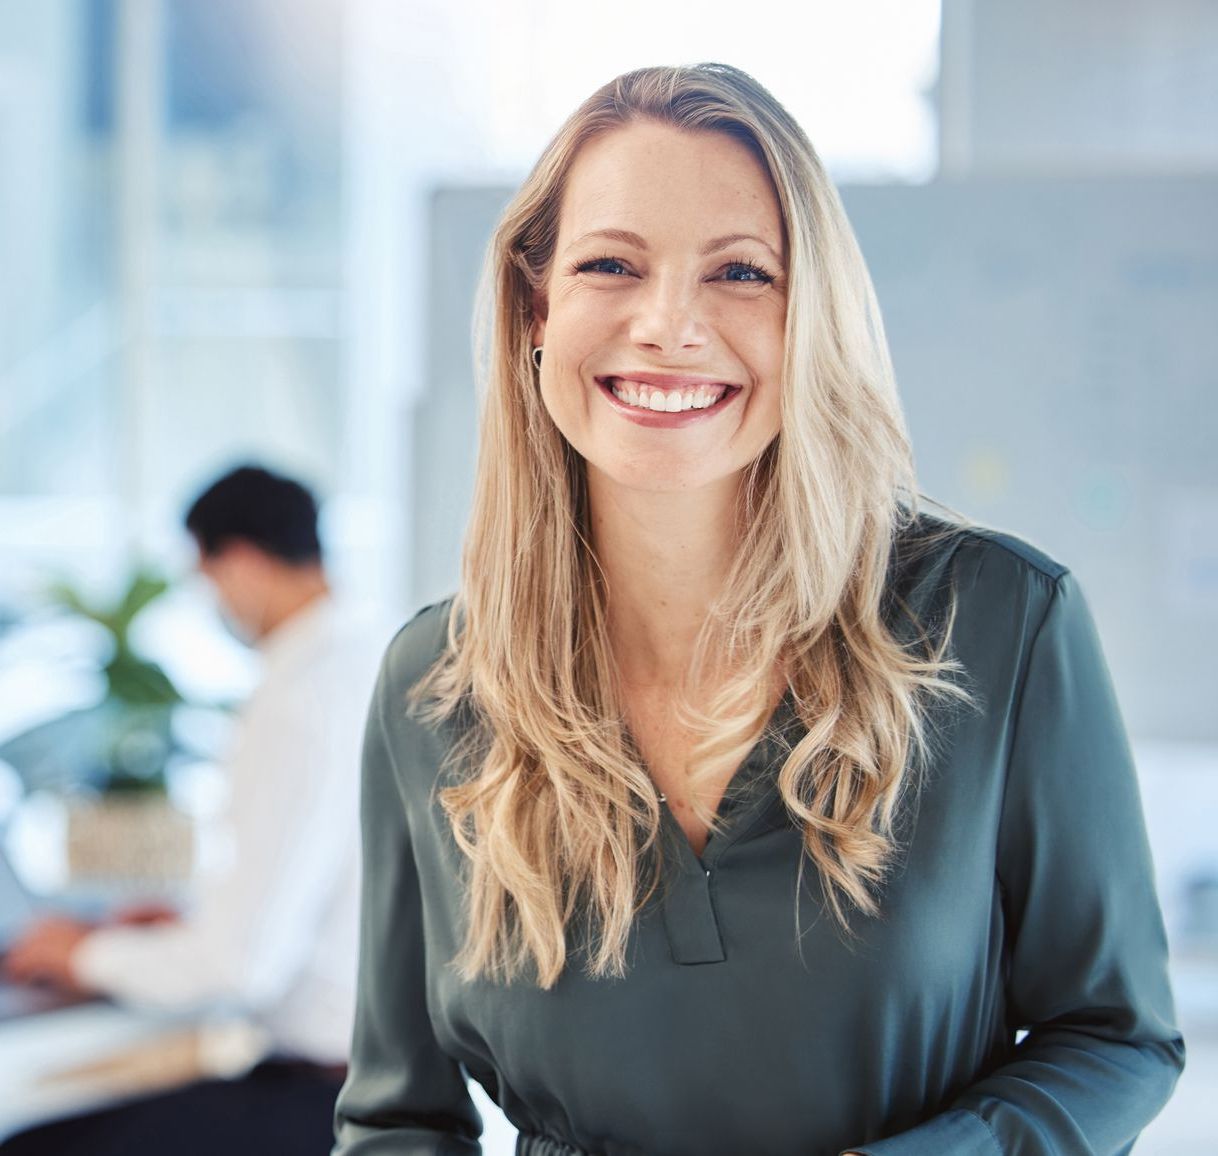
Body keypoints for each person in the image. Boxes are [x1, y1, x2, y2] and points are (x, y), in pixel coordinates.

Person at [332, 63, 1185, 1156]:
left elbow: (1116, 1034)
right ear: (536, 307)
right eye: (611, 264)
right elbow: (396, 1117)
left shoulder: (1001, 621)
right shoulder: (432, 683)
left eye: (740, 272)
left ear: (811, 317)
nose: (669, 325)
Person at [3, 463, 388, 1155]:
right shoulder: (371, 661)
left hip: (322, 1099)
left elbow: (241, 967)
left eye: (205, 579)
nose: (215, 603)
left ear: (237, 561)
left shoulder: (298, 701)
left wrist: (82, 953)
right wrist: (185, 922)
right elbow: (307, 906)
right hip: (372, 1086)